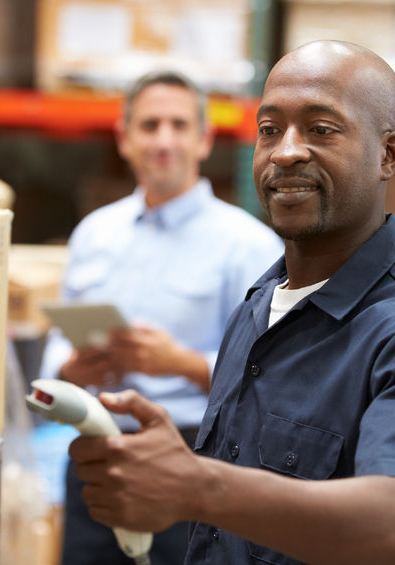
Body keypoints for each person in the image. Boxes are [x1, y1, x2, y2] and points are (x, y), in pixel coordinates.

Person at [67, 40, 395, 565]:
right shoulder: (258, 307)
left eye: (321, 129)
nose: (286, 151)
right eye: (269, 130)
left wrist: (197, 485)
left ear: (387, 156)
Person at [38, 70, 285, 565]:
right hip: (94, 456)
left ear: (204, 140)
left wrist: (180, 363)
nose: (164, 140)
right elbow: (54, 362)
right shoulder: (93, 234)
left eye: (178, 125)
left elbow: (273, 377)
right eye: (150, 126)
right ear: (124, 138)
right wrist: (69, 373)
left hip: (191, 462)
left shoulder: (247, 245)